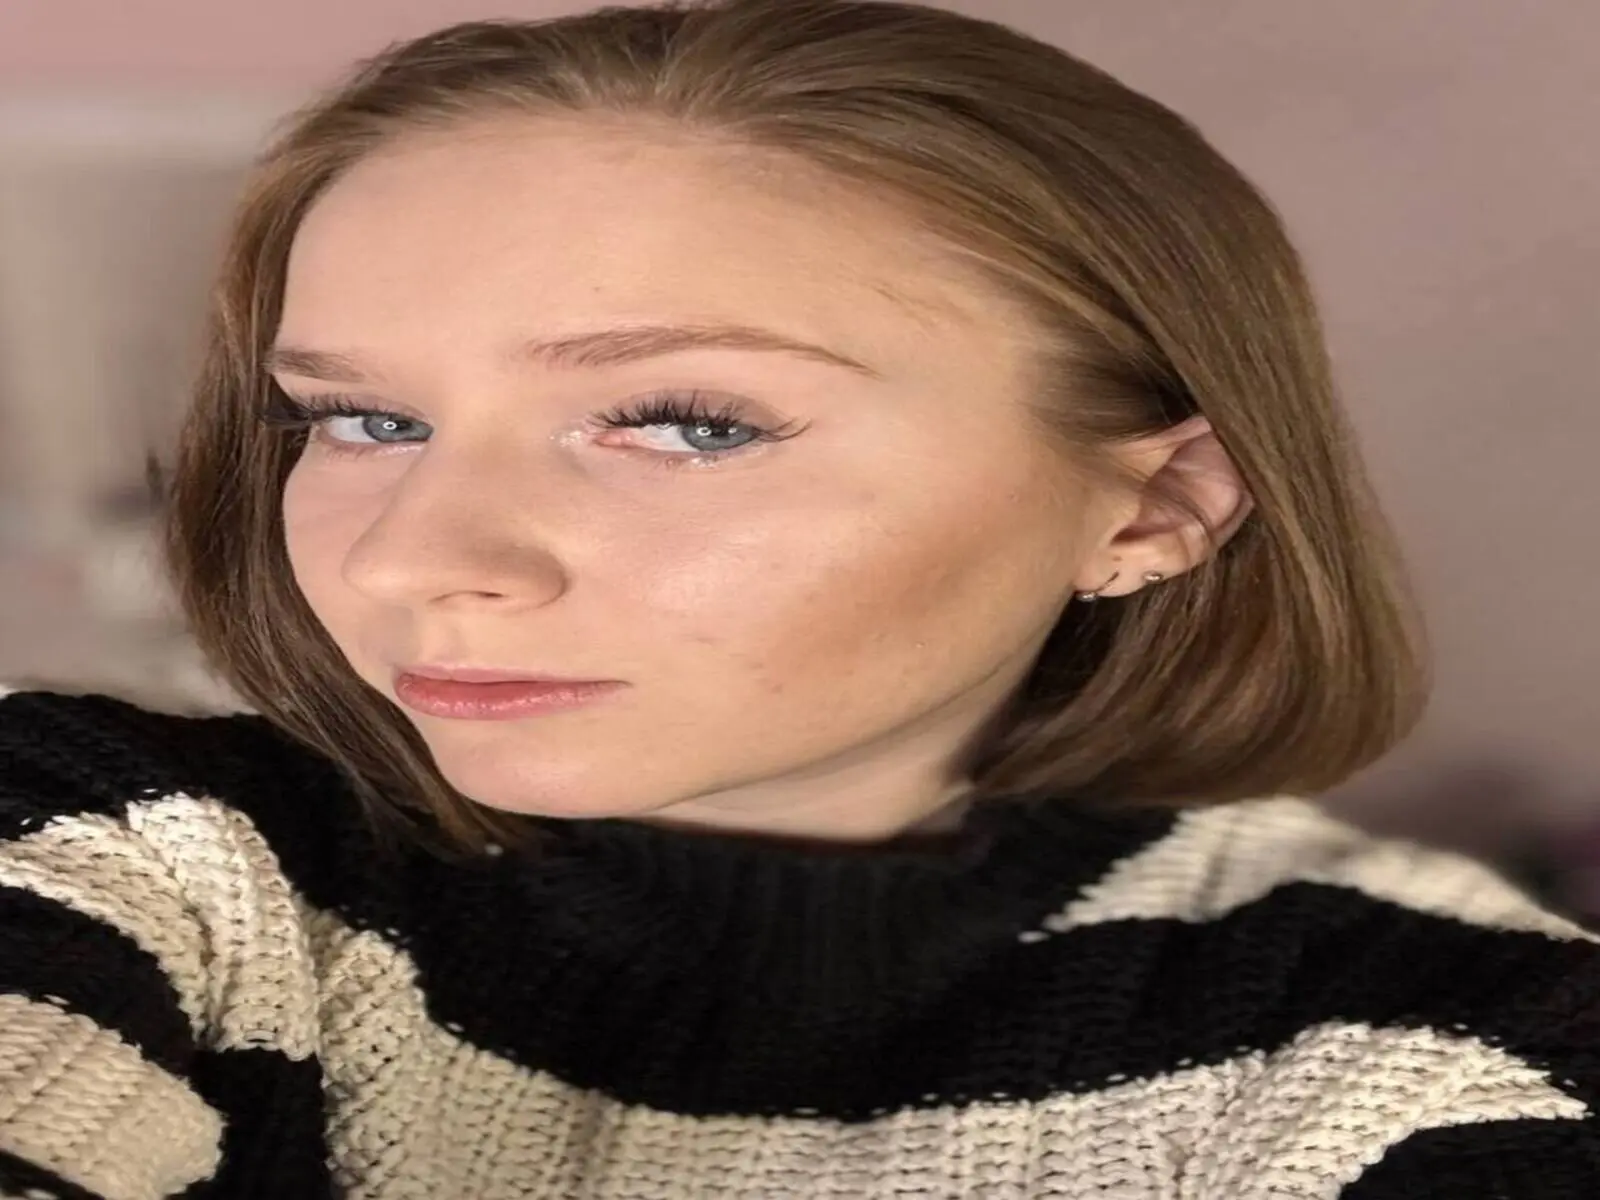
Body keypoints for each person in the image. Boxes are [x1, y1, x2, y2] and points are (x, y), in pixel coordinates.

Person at [1, 1, 1594, 1196]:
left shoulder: (1438, 1036)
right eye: (363, 421)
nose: (413, 556)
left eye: (688, 423)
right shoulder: (117, 845)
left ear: (1155, 506)